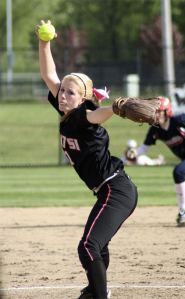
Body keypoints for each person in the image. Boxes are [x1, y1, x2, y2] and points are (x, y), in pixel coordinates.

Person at [36, 20, 138, 299]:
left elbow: (98, 114)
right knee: (98, 247)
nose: (63, 96)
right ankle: (94, 291)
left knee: (88, 247)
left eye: (70, 93)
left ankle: (99, 295)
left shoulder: (83, 115)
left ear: (82, 99)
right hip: (107, 191)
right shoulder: (68, 110)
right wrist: (44, 42)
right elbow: (49, 74)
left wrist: (116, 109)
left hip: (116, 190)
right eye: (63, 91)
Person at [136, 97, 185, 225]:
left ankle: (183, 212)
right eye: (154, 111)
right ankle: (184, 212)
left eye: (159, 111)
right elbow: (144, 149)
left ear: (167, 111)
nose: (156, 114)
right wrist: (130, 155)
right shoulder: (155, 129)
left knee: (179, 172)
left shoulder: (179, 120)